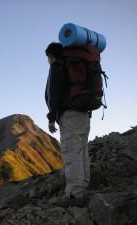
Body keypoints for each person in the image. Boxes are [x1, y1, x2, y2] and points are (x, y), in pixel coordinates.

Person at [45, 42, 91, 207]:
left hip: (69, 114)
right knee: (82, 150)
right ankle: (84, 185)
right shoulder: (78, 64)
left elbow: (54, 93)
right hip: (84, 113)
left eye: (48, 58)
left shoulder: (57, 66)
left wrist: (51, 118)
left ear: (51, 56)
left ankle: (74, 195)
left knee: (72, 152)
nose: (48, 61)